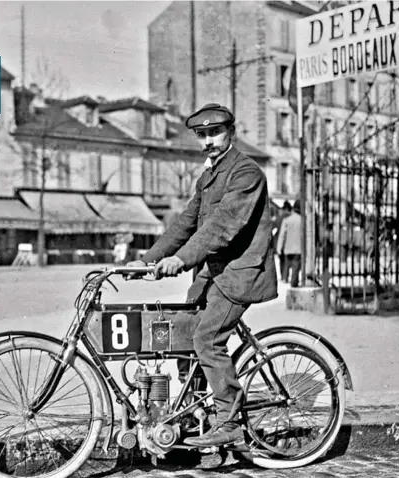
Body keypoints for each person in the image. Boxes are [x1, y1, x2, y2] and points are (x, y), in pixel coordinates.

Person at [126, 103, 278, 447]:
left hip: (240, 273)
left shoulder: (246, 173)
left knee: (207, 340)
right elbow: (184, 223)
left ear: (231, 132)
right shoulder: (208, 177)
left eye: (215, 133)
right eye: (202, 135)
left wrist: (181, 260)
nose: (208, 141)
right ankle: (194, 417)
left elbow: (221, 227)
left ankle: (228, 421)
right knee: (182, 333)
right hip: (214, 271)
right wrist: (147, 261)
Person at [276, 199, 302, 288]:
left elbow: (282, 235)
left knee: (287, 264)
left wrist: (279, 247)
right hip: (298, 248)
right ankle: (293, 283)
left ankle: (285, 278)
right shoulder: (302, 221)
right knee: (295, 265)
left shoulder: (287, 220)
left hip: (288, 247)